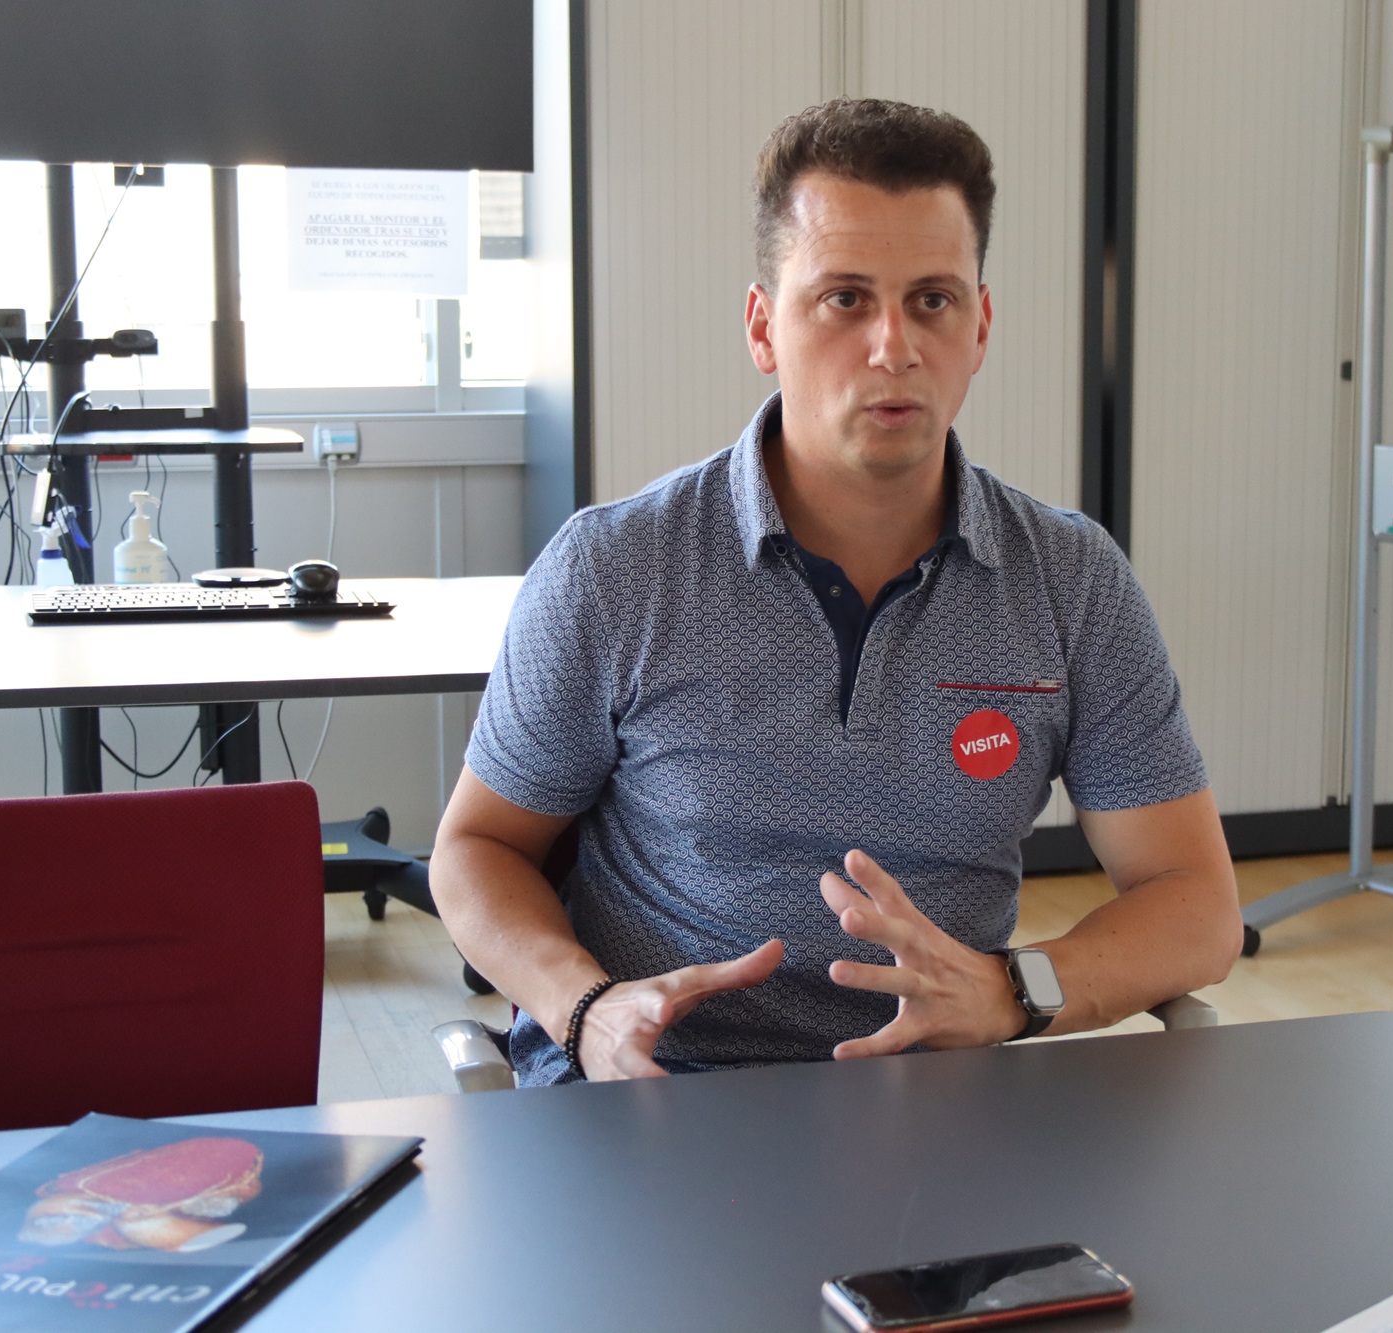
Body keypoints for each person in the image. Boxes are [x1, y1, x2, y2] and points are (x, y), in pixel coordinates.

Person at [429, 97, 1243, 1086]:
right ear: (762, 327)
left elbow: (1195, 902)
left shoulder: (1069, 581)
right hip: (659, 1094)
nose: (893, 346)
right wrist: (585, 1007)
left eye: (932, 300)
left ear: (980, 327)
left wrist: (1013, 989)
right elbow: (476, 848)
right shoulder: (615, 568)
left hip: (936, 1104)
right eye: (844, 299)